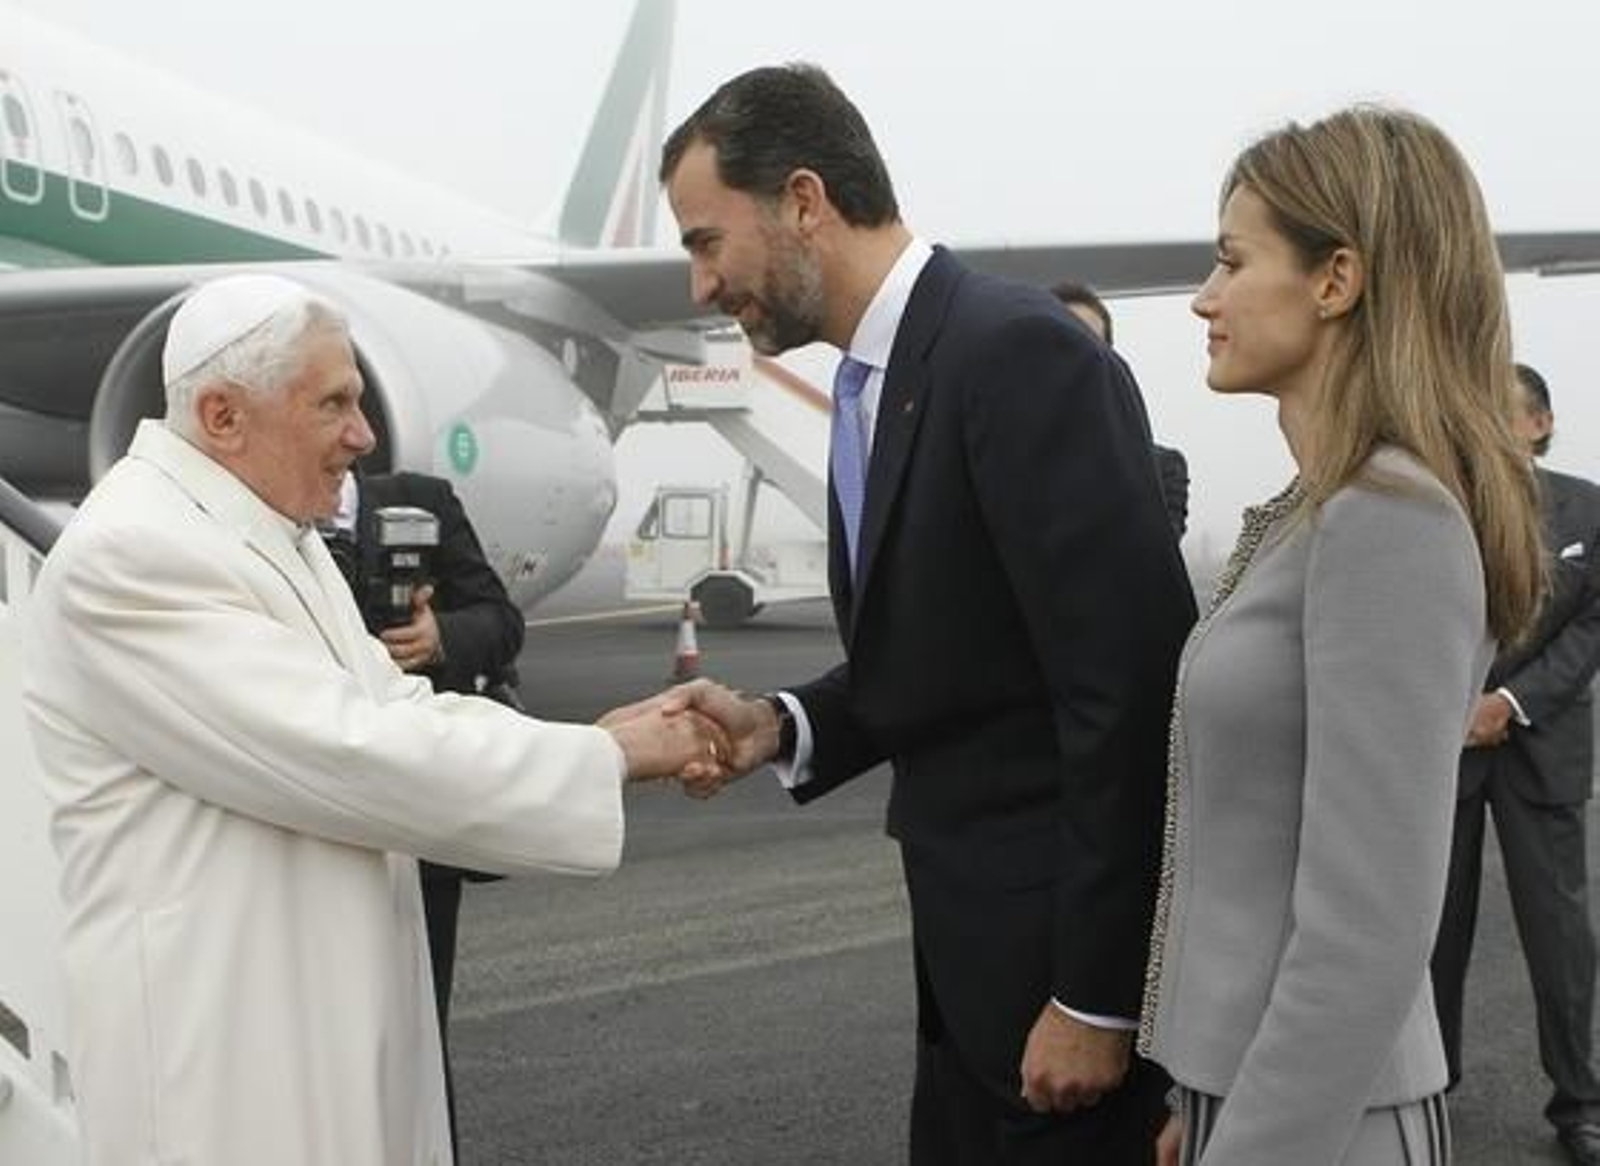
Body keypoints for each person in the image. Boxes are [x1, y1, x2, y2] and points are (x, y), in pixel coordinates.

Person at [19, 273, 721, 1166]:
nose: (365, 435)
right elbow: (353, 750)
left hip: (315, 1019)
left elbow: (394, 707)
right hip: (225, 1060)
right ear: (224, 415)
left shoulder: (267, 532)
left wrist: (589, 739)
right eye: (334, 404)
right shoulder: (132, 553)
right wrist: (609, 758)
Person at [657, 64, 1196, 1163]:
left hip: (1058, 993)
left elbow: (1129, 690)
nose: (701, 287)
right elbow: (957, 651)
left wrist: (1099, 998)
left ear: (803, 199)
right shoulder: (877, 380)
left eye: (706, 241)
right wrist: (781, 725)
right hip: (966, 985)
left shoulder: (1015, 354)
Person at [1139, 107, 1544, 1166]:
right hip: (1275, 1097)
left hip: (1323, 1127)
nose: (1203, 297)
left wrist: (1255, 1139)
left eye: (1231, 260)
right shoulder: (1319, 509)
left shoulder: (1387, 516)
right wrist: (1205, 1092)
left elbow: (1366, 929)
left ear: (1336, 280)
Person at [324, 466, 526, 1159]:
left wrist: (442, 638)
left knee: (415, 1041)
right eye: (329, 406)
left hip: (414, 830)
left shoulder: (421, 503)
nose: (356, 432)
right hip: (305, 819)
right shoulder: (250, 525)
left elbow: (501, 622)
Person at [1431, 363, 1600, 1166]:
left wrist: (1512, 703)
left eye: (1503, 413)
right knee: (1433, 929)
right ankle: (1429, 1089)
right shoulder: (1431, 505)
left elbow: (1591, 627)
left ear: (1539, 423)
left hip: (1541, 744)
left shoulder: (1588, 509)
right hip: (1443, 745)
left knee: (1560, 935)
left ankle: (1581, 1103)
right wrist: (1456, 702)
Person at [1049, 279, 1191, 538]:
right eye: (1058, 344)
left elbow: (1149, 561)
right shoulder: (983, 460)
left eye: (1088, 347)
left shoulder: (1159, 470)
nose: (1072, 362)